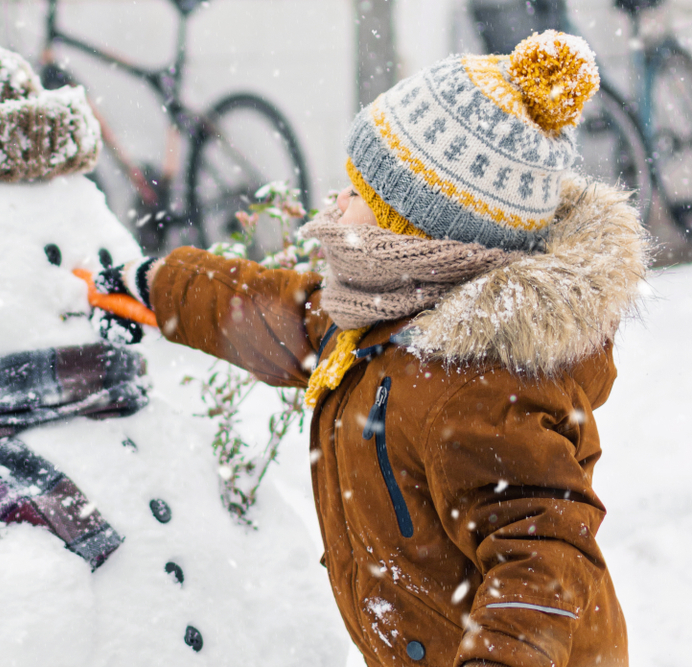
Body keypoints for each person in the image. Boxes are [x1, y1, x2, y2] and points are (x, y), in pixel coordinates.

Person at [97, 30, 648, 667]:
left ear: (415, 230)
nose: (336, 201)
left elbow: (544, 548)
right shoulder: (379, 318)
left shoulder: (480, 385)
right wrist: (159, 285)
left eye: (360, 194)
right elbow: (275, 315)